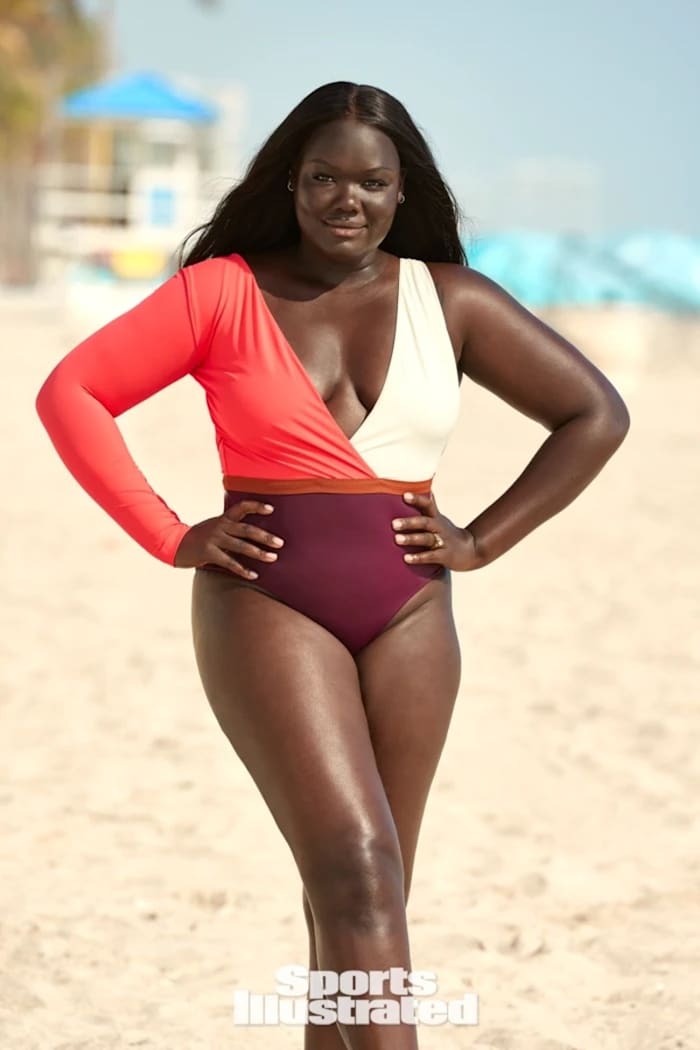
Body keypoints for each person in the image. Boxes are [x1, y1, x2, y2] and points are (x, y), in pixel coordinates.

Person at [35, 81, 630, 1049]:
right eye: (322, 178)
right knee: (357, 871)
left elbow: (594, 414)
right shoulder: (222, 290)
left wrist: (482, 540)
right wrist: (169, 533)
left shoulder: (454, 301)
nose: (345, 199)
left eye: (371, 182)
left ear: (402, 191)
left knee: (364, 895)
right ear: (291, 181)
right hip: (267, 603)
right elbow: (73, 394)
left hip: (413, 615)